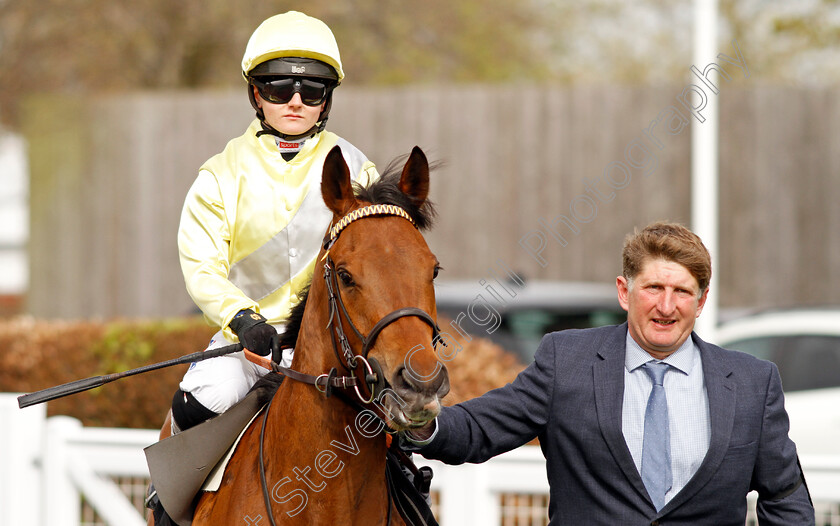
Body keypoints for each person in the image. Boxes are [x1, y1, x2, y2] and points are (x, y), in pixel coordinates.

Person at [404, 221, 814, 525]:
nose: (666, 306)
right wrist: (422, 421)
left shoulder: (752, 384)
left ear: (702, 300)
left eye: (682, 292)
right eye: (653, 288)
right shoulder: (567, 361)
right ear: (624, 291)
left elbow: (786, 497)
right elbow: (481, 428)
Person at [169, 11, 378, 434]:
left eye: (313, 89)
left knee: (404, 405)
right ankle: (168, 500)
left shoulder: (359, 171)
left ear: (328, 98)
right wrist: (244, 320)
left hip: (339, 339)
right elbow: (202, 268)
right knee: (199, 402)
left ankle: (411, 498)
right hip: (250, 342)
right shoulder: (219, 176)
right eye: (279, 88)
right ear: (256, 94)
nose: (296, 101)